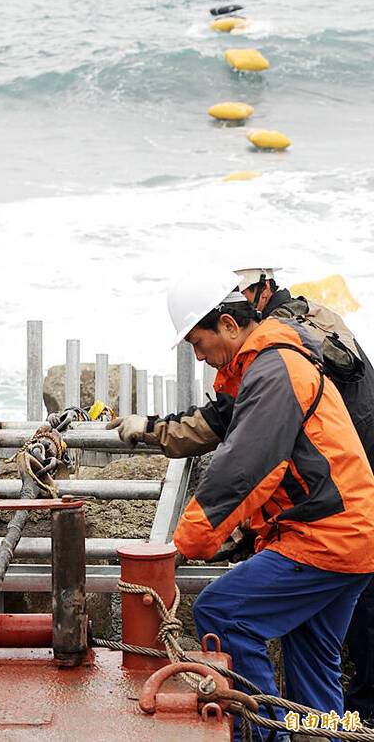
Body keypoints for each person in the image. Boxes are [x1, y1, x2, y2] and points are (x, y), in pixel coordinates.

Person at [114, 270, 374, 739]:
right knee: (313, 657)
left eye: (198, 342)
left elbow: (245, 468)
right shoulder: (273, 363)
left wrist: (183, 545)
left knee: (222, 612)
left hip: (326, 536)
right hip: (353, 533)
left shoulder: (274, 371)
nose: (198, 356)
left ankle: (263, 732)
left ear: (229, 325)